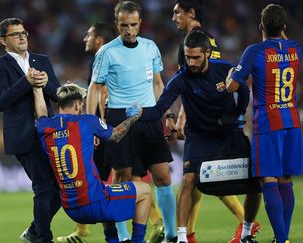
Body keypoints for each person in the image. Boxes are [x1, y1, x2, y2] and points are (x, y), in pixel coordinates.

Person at [128, 30, 261, 243]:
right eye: (188, 56)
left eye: (196, 57)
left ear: (207, 53)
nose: (191, 62)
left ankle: (246, 231)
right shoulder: (180, 80)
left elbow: (243, 90)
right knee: (188, 180)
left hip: (229, 133)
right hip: (199, 136)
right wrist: (142, 113)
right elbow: (159, 108)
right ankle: (182, 237)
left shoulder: (225, 70)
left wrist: (236, 113)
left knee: (256, 179)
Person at [87, 1, 177, 242]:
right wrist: (93, 123)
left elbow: (158, 84)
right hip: (119, 119)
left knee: (163, 177)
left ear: (140, 23)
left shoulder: (150, 48)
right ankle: (123, 236)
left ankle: (171, 235)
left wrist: (167, 114)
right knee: (123, 178)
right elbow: (94, 89)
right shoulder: (106, 52)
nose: (129, 30)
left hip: (149, 117)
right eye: (124, 25)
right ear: (116, 24)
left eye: (134, 25)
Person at [170, 1, 260, 242]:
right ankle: (188, 234)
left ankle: (240, 223)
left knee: (199, 176)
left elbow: (202, 85)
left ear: (191, 13)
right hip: (213, 118)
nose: (174, 17)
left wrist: (181, 119)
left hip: (210, 122)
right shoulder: (202, 41)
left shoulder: (197, 42)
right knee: (199, 178)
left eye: (177, 12)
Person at [34, 82, 151, 243]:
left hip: (70, 208)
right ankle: (138, 241)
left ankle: (113, 240)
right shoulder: (87, 122)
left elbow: (40, 111)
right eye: (81, 105)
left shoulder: (43, 126)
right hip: (94, 204)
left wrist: (36, 88)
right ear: (77, 105)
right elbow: (116, 135)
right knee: (145, 191)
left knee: (104, 189)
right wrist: (133, 118)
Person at [226, 4, 302, 243]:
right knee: (285, 181)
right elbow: (284, 42)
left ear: (261, 27)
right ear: (284, 28)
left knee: (268, 181)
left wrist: (229, 75)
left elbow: (232, 87)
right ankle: (284, 238)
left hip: (268, 123)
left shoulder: (254, 51)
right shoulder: (296, 48)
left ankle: (281, 241)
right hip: (292, 121)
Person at [0, 17, 61, 243]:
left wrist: (47, 83)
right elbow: (1, 101)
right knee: (43, 187)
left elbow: (58, 94)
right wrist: (26, 81)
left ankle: (33, 231)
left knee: (60, 188)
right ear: (3, 40)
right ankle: (43, 238)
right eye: (15, 34)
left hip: (49, 133)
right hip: (23, 135)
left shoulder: (42, 60)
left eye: (24, 33)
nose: (21, 37)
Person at [56, 22, 116, 243]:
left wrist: (98, 126)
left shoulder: (102, 59)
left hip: (106, 130)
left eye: (89, 35)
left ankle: (155, 223)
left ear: (99, 39)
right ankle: (82, 231)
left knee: (98, 179)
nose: (85, 39)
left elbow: (104, 94)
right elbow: (99, 92)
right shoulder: (110, 57)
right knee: (102, 177)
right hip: (112, 127)